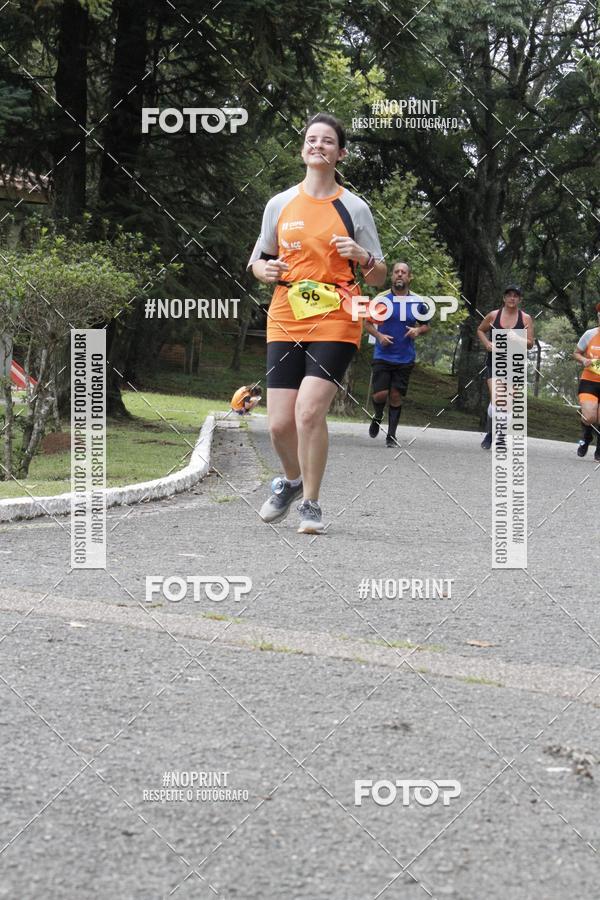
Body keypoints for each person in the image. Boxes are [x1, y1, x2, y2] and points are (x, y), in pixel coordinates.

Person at [248, 112, 386, 533]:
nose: (318, 145)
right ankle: (292, 481)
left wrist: (363, 256)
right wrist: (265, 271)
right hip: (286, 314)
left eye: (327, 141)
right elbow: (258, 260)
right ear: (302, 149)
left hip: (337, 315)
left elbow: (378, 275)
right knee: (278, 424)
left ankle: (311, 502)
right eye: (311, 139)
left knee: (308, 412)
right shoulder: (280, 204)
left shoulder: (354, 207)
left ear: (340, 153)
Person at [364, 261, 430, 447]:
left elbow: (426, 325)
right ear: (392, 276)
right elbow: (367, 323)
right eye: (396, 272)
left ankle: (391, 436)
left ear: (409, 277)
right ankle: (378, 415)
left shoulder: (418, 301)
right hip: (382, 355)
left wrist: (418, 330)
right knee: (380, 395)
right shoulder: (381, 299)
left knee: (395, 396)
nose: (400, 274)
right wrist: (379, 336)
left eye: (403, 272)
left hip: (405, 357)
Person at [476, 285, 534, 449]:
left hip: (515, 364)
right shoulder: (493, 315)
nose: (512, 298)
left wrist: (518, 339)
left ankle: (498, 435)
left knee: (507, 403)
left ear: (519, 299)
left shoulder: (526, 318)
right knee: (497, 399)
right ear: (504, 298)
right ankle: (491, 433)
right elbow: (480, 330)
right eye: (509, 295)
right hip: (495, 362)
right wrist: (487, 343)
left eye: (515, 296)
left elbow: (530, 344)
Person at [574, 303, 600, 460]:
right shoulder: (590, 334)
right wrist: (584, 360)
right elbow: (576, 353)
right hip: (589, 381)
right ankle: (586, 437)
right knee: (590, 417)